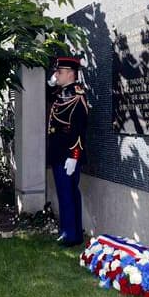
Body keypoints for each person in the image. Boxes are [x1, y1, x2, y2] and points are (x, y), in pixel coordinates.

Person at [47, 56, 89, 247]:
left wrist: (74, 156)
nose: (57, 75)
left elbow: (79, 129)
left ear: (71, 73)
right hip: (58, 153)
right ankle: (70, 231)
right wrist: (51, 83)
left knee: (68, 193)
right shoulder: (62, 93)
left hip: (68, 155)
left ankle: (71, 234)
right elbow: (48, 98)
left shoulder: (77, 96)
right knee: (66, 193)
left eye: (60, 72)